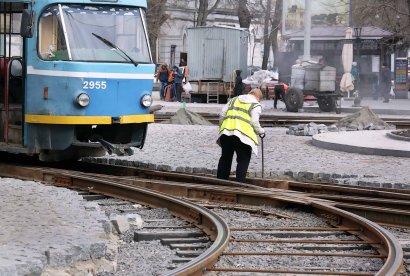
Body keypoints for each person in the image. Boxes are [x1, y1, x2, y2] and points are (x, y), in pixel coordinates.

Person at [216, 88, 265, 183]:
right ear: (258, 97)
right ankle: (240, 184)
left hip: (226, 134)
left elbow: (222, 114)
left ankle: (220, 183)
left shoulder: (234, 99)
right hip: (243, 136)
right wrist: (261, 131)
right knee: (243, 160)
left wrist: (222, 127)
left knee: (225, 158)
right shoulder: (256, 105)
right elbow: (255, 122)